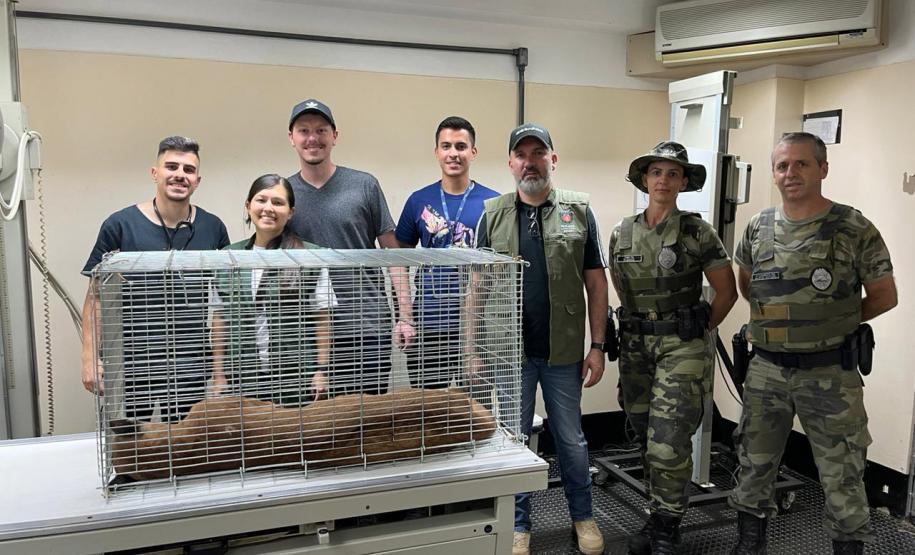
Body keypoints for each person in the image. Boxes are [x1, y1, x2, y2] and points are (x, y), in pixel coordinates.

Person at [728, 132, 897, 555]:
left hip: (830, 373)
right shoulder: (758, 228)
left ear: (823, 168)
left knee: (842, 473)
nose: (791, 173)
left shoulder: (852, 228)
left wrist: (828, 321)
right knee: (754, 465)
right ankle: (750, 546)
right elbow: (750, 289)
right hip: (767, 371)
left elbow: (884, 295)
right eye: (782, 166)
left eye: (802, 164)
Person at [475, 123, 608, 555]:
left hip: (563, 352)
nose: (530, 161)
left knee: (571, 439)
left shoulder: (579, 211)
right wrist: (471, 349)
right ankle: (518, 526)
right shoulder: (491, 214)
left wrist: (598, 346)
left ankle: (583, 517)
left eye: (539, 152)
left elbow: (596, 284)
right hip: (509, 352)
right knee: (513, 440)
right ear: (511, 163)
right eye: (521, 154)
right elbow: (476, 287)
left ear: (553, 158)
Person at [609, 141, 737, 554]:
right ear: (644, 180)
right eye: (656, 172)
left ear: (683, 182)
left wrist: (699, 329)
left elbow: (726, 292)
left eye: (672, 173)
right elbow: (621, 286)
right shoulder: (622, 232)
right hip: (635, 346)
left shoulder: (698, 231)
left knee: (670, 438)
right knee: (645, 431)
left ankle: (668, 524)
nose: (663, 180)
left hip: (681, 346)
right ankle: (656, 511)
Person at [80, 136, 230, 421]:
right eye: (171, 166)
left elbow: (223, 303)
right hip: (135, 363)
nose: (179, 175)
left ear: (197, 180)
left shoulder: (213, 228)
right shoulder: (120, 225)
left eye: (188, 170)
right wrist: (89, 358)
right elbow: (96, 296)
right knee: (137, 449)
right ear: (155, 173)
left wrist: (220, 369)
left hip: (192, 363)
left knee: (188, 444)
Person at [285, 99, 414, 397]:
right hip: (313, 336)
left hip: (368, 329)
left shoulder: (364, 185)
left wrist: (405, 316)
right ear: (291, 138)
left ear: (334, 136)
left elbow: (393, 254)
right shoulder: (283, 194)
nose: (313, 138)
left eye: (321, 130)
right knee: (320, 430)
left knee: (366, 425)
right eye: (304, 130)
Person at [211, 174, 336, 406]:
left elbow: (323, 317)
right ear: (249, 206)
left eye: (278, 202)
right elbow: (219, 320)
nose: (268, 208)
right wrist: (219, 376)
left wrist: (321, 371)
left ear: (290, 212)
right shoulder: (227, 258)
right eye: (261, 200)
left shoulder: (310, 257)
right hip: (243, 376)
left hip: (296, 377)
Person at [395, 116, 499, 389]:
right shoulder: (418, 201)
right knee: (429, 415)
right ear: (437, 152)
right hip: (430, 323)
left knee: (476, 414)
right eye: (446, 146)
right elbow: (398, 262)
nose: (453, 153)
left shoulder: (494, 204)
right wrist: (405, 317)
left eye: (461, 146)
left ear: (473, 152)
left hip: (477, 327)